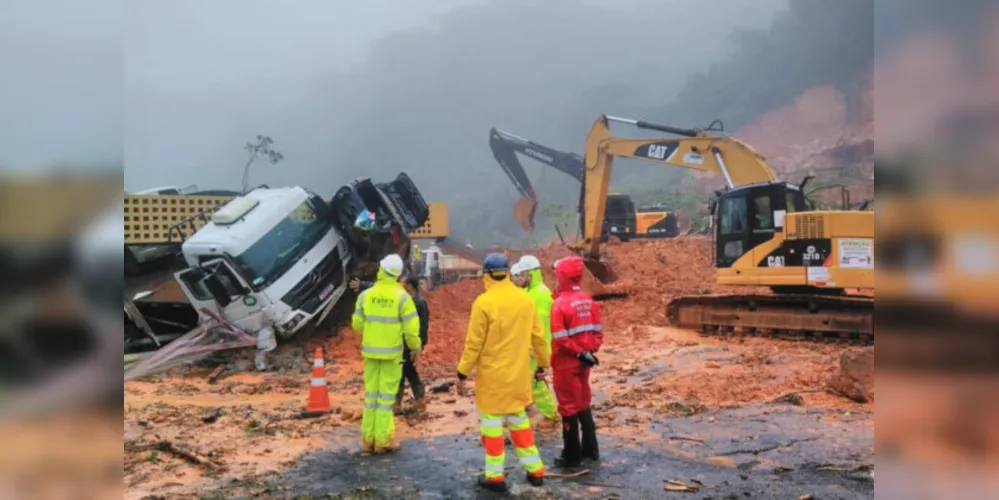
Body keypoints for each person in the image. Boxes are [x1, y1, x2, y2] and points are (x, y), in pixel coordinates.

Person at [456, 253, 550, 492]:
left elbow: (474, 344)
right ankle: (536, 471)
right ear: (507, 273)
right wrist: (543, 364)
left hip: (492, 381)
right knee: (519, 424)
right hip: (518, 378)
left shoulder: (483, 303)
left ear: (486, 275)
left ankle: (494, 476)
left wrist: (462, 373)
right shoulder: (525, 300)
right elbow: (539, 337)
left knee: (492, 428)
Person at [351, 254, 422, 455]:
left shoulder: (366, 295)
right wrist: (415, 348)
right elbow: (410, 330)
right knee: (385, 400)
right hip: (391, 356)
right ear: (398, 275)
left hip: (371, 354)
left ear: (381, 270)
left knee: (371, 397)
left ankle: (368, 440)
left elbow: (357, 325)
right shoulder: (403, 298)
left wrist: (373, 331)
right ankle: (383, 441)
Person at [550, 255, 603, 468]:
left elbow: (560, 338)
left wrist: (578, 352)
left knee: (568, 407)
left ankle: (571, 456)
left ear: (561, 276)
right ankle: (591, 450)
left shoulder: (559, 305)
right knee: (583, 402)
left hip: (566, 363)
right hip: (585, 362)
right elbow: (598, 332)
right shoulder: (589, 301)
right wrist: (588, 352)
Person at [515, 255, 559, 423]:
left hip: (536, 348)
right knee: (535, 381)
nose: (519, 278)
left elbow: (538, 328)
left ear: (530, 275)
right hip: (533, 347)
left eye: (522, 275)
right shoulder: (533, 292)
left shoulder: (539, 295)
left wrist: (534, 349)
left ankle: (551, 414)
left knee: (535, 383)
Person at [396, 276, 429, 412]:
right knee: (409, 370)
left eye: (403, 282)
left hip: (411, 343)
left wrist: (418, 345)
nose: (401, 283)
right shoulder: (409, 300)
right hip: (406, 341)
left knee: (402, 371)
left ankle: (397, 403)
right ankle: (420, 399)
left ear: (410, 285)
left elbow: (422, 326)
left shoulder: (419, 303)